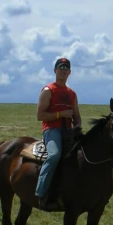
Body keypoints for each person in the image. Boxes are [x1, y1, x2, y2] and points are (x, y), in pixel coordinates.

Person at [35, 57, 82, 211]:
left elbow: (76, 114)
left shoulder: (72, 93)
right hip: (52, 129)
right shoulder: (48, 90)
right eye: (60, 68)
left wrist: (78, 128)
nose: (63, 71)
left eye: (66, 68)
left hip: (68, 130)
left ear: (70, 72)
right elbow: (40, 115)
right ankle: (41, 193)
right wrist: (60, 114)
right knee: (54, 155)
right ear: (55, 71)